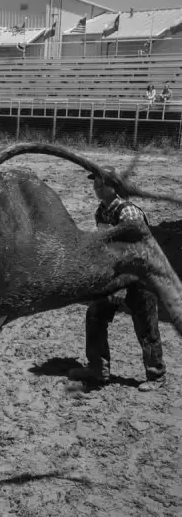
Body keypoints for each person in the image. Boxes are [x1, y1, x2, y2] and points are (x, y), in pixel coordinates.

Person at [69, 166, 167, 392]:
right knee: (95, 315)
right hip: (116, 275)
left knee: (146, 326)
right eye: (95, 181)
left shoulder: (128, 213)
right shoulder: (101, 212)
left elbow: (136, 251)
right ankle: (98, 369)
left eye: (103, 182)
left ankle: (157, 375)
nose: (97, 186)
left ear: (116, 187)